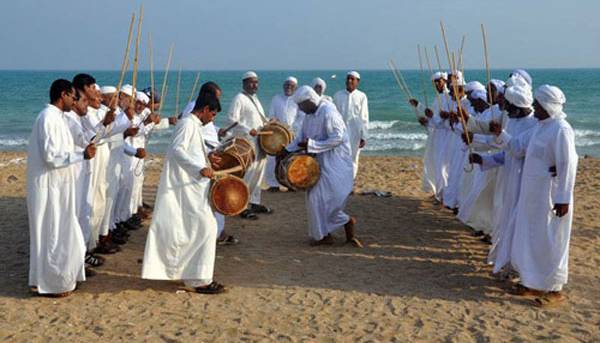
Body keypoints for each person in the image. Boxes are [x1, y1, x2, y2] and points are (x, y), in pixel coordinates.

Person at [141, 93, 226, 294]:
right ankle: (199, 280)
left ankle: (195, 276)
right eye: (212, 114)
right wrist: (199, 168)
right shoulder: (187, 124)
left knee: (199, 230)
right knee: (206, 228)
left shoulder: (193, 125)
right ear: (204, 109)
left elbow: (192, 152)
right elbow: (178, 151)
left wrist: (208, 159)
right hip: (185, 188)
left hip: (194, 188)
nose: (212, 119)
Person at [509, 85, 577, 306]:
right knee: (533, 237)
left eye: (537, 105)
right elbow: (517, 146)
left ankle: (554, 290)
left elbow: (568, 165)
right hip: (533, 196)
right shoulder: (540, 127)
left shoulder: (561, 129)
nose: (534, 108)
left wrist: (563, 198)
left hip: (552, 196)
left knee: (551, 240)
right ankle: (532, 283)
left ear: (548, 105)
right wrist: (498, 134)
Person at [27, 79, 97, 297]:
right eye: (73, 97)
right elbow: (50, 156)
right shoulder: (48, 118)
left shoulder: (59, 118)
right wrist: (81, 155)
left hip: (60, 186)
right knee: (51, 232)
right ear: (63, 95)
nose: (74, 102)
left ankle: (59, 278)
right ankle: (51, 283)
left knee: (64, 230)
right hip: (49, 187)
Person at [283, 86, 362, 248]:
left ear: (310, 101)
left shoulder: (329, 113)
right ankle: (323, 235)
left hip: (335, 164)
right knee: (314, 199)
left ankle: (347, 223)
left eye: (301, 105)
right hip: (318, 164)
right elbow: (300, 137)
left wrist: (312, 145)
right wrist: (285, 150)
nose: (300, 109)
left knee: (332, 200)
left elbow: (338, 138)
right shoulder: (309, 115)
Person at [224, 71, 272, 219]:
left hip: (259, 142)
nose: (254, 84)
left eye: (256, 82)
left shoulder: (254, 99)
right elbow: (231, 120)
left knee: (258, 173)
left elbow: (258, 119)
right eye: (251, 82)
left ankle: (254, 202)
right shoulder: (239, 98)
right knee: (248, 174)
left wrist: (269, 122)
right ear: (244, 83)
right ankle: (241, 205)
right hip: (247, 144)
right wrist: (246, 130)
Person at [265, 76, 300, 192]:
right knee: (273, 159)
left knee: (293, 159)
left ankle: (292, 183)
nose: (288, 87)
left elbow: (301, 117)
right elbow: (272, 115)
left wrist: (293, 129)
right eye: (286, 85)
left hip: (294, 134)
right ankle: (273, 184)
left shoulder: (298, 99)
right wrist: (275, 124)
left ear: (296, 87)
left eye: (291, 85)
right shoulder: (277, 98)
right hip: (278, 134)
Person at [333, 71, 369, 179]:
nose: (349, 81)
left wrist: (364, 136)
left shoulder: (362, 96)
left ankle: (350, 182)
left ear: (357, 82)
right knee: (339, 156)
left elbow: (364, 117)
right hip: (340, 131)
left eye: (352, 79)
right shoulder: (338, 95)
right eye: (348, 78)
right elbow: (333, 115)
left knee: (354, 157)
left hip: (356, 131)